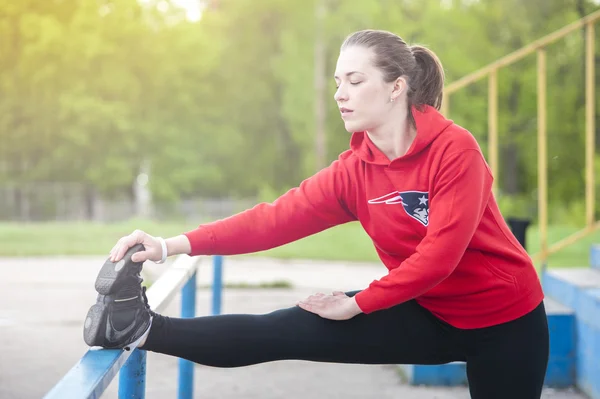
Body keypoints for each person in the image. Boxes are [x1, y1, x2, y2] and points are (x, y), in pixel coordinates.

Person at [83, 29, 549, 399]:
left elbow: (439, 256)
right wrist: (168, 245)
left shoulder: (455, 151)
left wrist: (357, 303)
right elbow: (270, 221)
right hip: (427, 310)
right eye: (337, 82)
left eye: (355, 80)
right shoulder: (355, 172)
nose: (340, 94)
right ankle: (139, 329)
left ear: (396, 88)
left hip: (505, 322)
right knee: (285, 329)